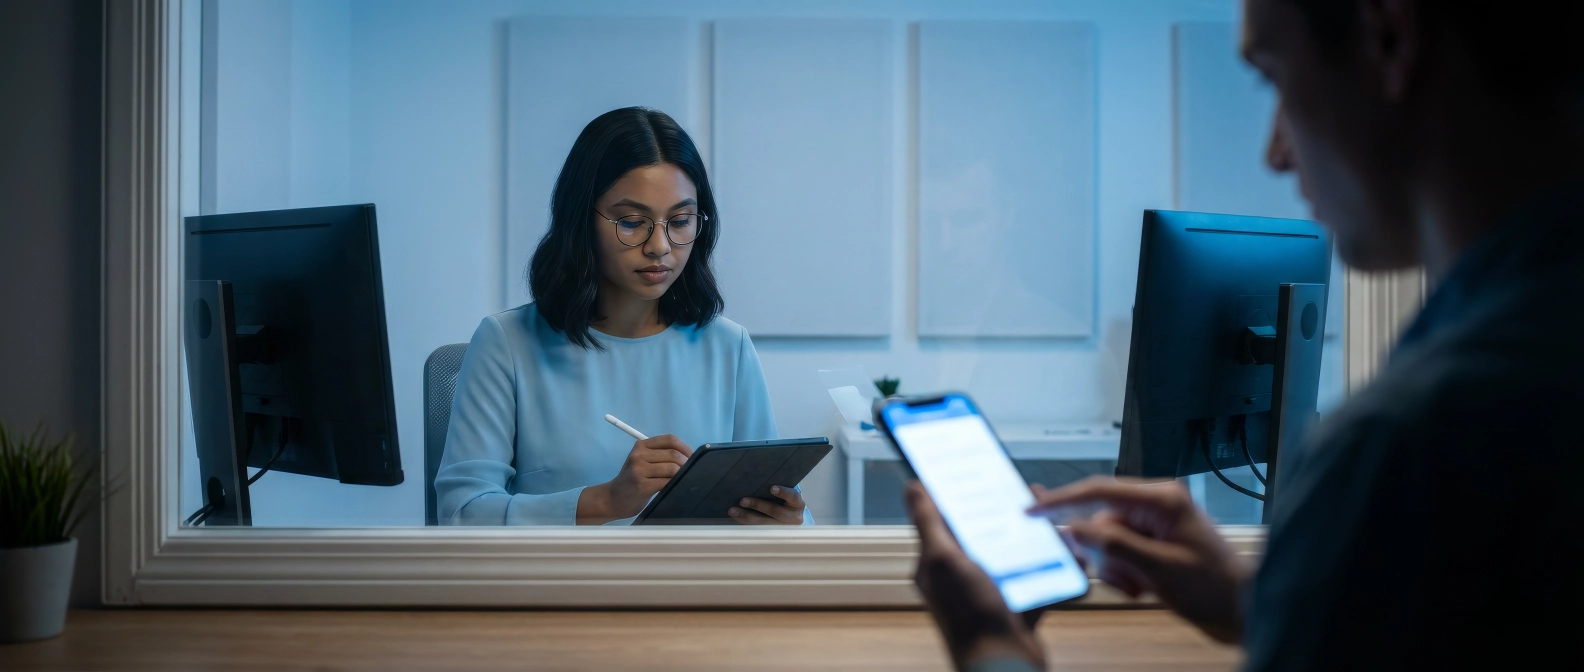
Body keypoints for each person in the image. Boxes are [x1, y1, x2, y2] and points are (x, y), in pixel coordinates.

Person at [906, 0, 1584, 669]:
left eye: (1274, 78)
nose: (1274, 153)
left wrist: (992, 650)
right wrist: (1261, 603)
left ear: (1387, 39)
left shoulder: (1409, 450)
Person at [434, 107, 809, 526]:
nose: (659, 246)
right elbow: (462, 515)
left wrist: (789, 519)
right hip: (562, 572)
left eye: (680, 221)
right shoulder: (507, 343)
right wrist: (607, 501)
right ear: (581, 219)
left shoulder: (728, 346)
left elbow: (778, 502)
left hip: (693, 571)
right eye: (632, 222)